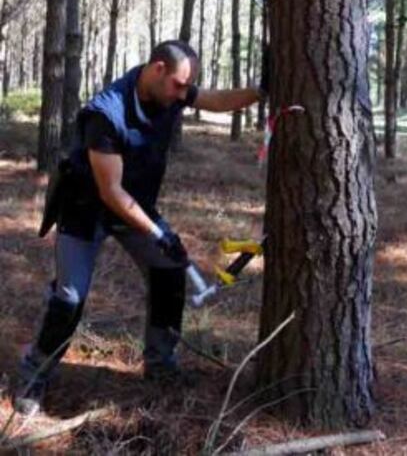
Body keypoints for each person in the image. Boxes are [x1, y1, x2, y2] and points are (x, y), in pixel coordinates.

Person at [14, 40, 265, 416]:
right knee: (68, 298)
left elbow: (214, 100)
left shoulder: (171, 92)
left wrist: (261, 91)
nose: (185, 94)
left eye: (187, 88)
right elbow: (110, 192)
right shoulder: (106, 113)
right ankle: (34, 376)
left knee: (168, 273)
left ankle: (161, 365)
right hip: (85, 211)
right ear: (157, 68)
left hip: (135, 207)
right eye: (180, 85)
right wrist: (160, 234)